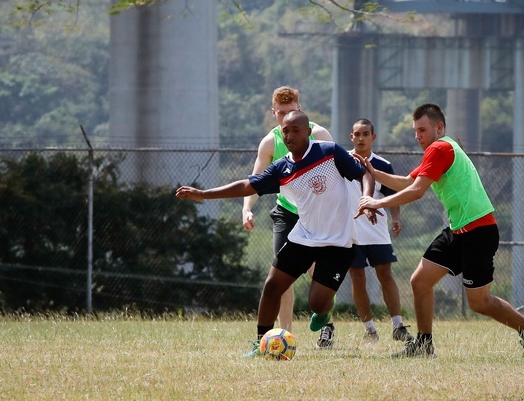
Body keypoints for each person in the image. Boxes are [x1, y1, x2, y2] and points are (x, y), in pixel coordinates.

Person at [177, 111, 381, 357]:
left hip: (339, 241)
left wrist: (367, 198)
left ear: (308, 131)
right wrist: (203, 194)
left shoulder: (329, 152)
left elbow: (364, 173)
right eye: (286, 130)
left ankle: (324, 311)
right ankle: (261, 343)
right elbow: (247, 185)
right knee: (272, 285)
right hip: (304, 236)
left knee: (317, 301)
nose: (290, 135)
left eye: (296, 130)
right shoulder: (282, 168)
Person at [356, 103, 524, 358]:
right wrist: (373, 172)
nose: (418, 136)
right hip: (459, 230)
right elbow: (408, 181)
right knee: (419, 281)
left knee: (479, 303)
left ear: (439, 127)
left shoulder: (441, 148)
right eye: (415, 131)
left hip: (478, 231)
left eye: (422, 130)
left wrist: (376, 202)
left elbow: (416, 191)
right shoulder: (437, 150)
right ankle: (424, 346)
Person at [241, 85, 338, 348]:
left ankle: (326, 323)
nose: (286, 118)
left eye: (290, 111)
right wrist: (246, 208)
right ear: (274, 113)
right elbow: (255, 181)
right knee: (281, 276)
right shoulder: (270, 142)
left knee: (317, 274)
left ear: (300, 109)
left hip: (318, 215)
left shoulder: (318, 134)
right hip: (287, 212)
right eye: (280, 113)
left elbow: (337, 177)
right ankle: (283, 337)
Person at [347, 118, 414, 344]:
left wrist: (396, 218)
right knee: (357, 278)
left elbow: (393, 194)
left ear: (373, 137)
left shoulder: (382, 165)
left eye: (365, 134)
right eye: (357, 134)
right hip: (351, 231)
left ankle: (398, 326)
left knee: (385, 274)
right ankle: (370, 330)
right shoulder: (342, 162)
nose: (361, 138)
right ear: (351, 137)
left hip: (377, 230)